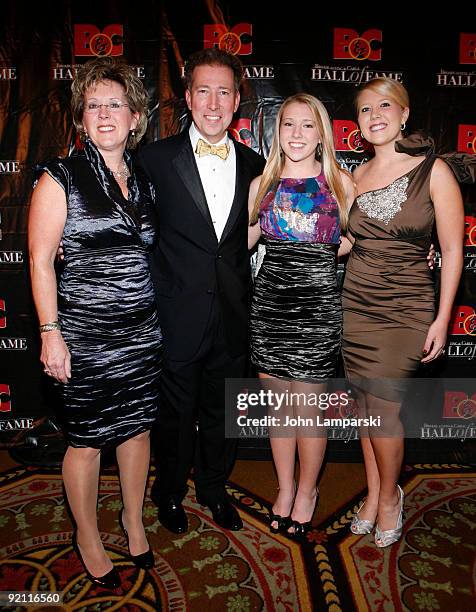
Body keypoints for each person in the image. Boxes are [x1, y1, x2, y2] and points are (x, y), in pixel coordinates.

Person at [28, 57, 161, 588]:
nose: (104, 114)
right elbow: (39, 261)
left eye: (115, 105)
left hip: (142, 331)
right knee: (85, 439)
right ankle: (87, 534)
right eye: (93, 106)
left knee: (136, 429)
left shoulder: (144, 178)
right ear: (81, 120)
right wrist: (49, 333)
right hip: (83, 335)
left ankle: (132, 518)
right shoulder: (59, 175)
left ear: (134, 117)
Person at [137, 48, 265, 533]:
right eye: (204, 91)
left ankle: (213, 488)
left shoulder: (257, 165)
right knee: (174, 417)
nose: (214, 103)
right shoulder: (153, 159)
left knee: (223, 414)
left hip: (234, 315)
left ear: (237, 102)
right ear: (188, 97)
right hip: (175, 316)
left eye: (224, 92)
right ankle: (168, 492)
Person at [341, 77, 465, 547]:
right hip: (357, 304)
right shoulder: (352, 178)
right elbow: (348, 244)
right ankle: (372, 495)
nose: (375, 114)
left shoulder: (434, 171)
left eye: (385, 105)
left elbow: (452, 252)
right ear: (357, 124)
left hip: (407, 306)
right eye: (365, 109)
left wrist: (442, 319)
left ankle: (390, 497)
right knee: (365, 411)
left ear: (405, 114)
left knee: (384, 412)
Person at [248, 94, 355, 537]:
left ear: (321, 133)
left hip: (318, 307)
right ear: (277, 131)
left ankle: (308, 491)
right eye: (288, 124)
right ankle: (286, 487)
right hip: (271, 305)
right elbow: (241, 241)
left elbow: (359, 240)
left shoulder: (341, 183)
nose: (296, 133)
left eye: (307, 125)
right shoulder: (262, 184)